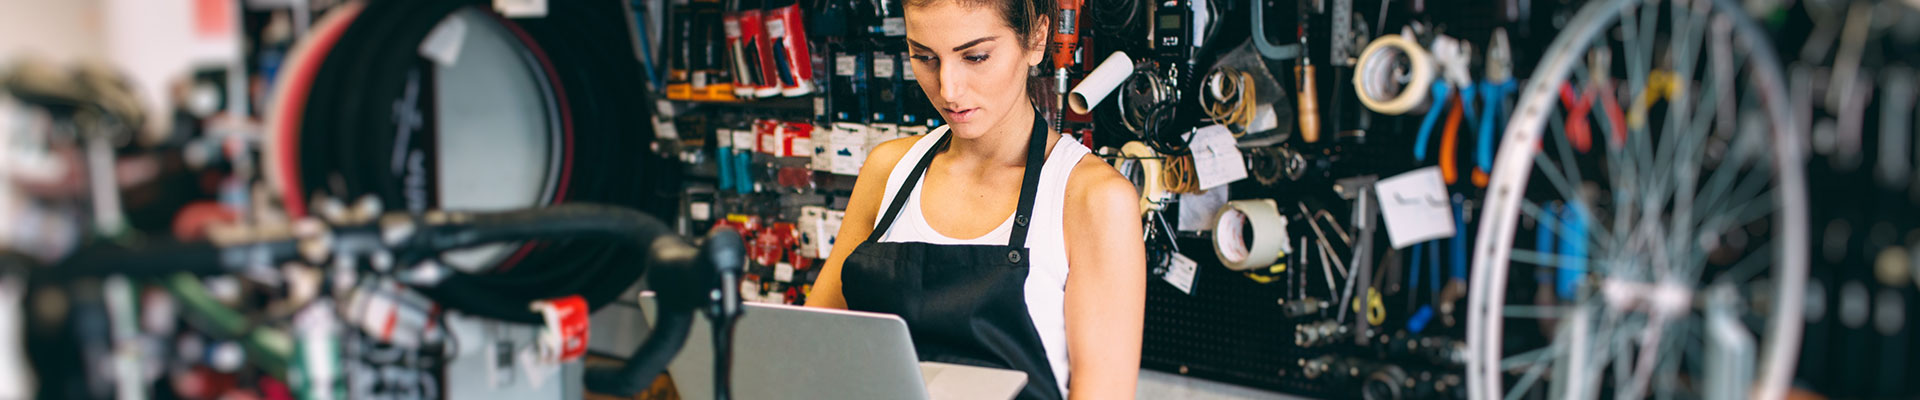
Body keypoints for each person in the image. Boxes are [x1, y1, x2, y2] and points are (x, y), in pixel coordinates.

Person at [804, 0, 1147, 398]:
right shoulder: (888, 171)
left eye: (976, 56)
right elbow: (812, 346)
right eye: (925, 57)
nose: (949, 89)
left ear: (1036, 39)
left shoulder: (1092, 199)